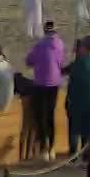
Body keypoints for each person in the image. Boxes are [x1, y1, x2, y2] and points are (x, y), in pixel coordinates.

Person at [25, 22, 65, 161]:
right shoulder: (60, 44)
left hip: (41, 84)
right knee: (50, 116)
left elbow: (29, 61)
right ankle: (52, 147)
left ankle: (44, 148)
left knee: (41, 116)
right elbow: (60, 62)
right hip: (54, 84)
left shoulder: (40, 45)